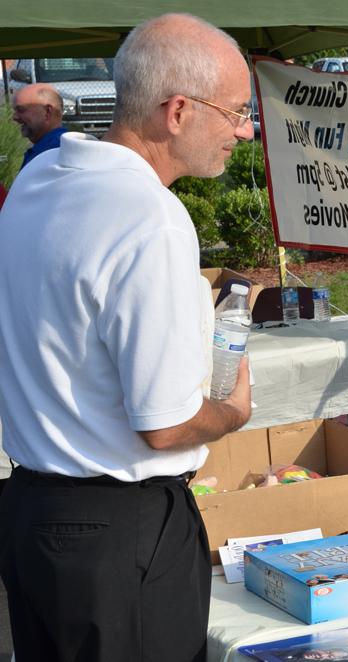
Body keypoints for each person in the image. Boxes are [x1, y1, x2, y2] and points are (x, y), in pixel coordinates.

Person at [0, 13, 255, 662]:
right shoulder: (153, 220)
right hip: (119, 532)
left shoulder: (39, 181)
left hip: (31, 511)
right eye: (236, 112)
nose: (245, 131)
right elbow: (165, 427)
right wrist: (232, 412)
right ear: (177, 111)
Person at [11, 82, 67, 169]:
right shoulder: (55, 146)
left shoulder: (52, 153)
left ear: (47, 112)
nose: (15, 117)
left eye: (21, 110)